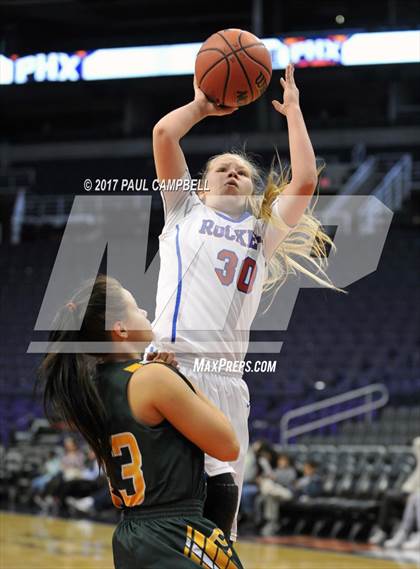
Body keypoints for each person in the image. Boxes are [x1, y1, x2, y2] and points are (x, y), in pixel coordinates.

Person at [152, 63, 337, 540]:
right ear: (200, 185)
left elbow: (304, 183)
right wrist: (200, 105)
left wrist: (293, 112)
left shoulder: (262, 231)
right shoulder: (181, 212)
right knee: (165, 512)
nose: (233, 174)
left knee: (219, 526)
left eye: (242, 172)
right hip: (168, 367)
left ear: (254, 191)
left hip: (225, 381)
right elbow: (164, 135)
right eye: (221, 169)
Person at [39, 275, 243, 568]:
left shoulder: (91, 392)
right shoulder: (153, 378)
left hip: (130, 535)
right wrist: (181, 380)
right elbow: (228, 446)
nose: (146, 313)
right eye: (136, 308)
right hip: (175, 532)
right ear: (120, 329)